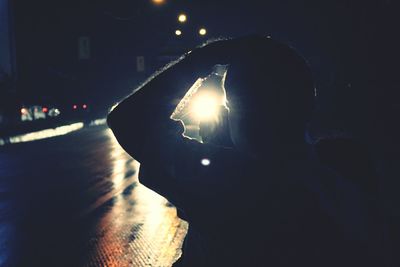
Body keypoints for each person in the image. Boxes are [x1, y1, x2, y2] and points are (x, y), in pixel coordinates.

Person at [107, 35, 377, 266]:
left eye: (230, 106)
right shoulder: (342, 177)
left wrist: (203, 57)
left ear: (242, 114)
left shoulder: (232, 181)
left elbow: (127, 120)